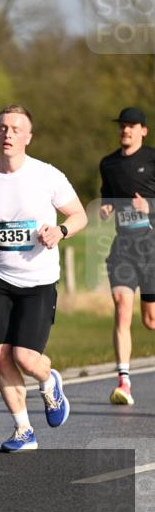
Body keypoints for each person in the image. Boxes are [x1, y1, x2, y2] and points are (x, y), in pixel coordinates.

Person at [0, 104, 88, 452]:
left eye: (14, 128)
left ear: (28, 137)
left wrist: (61, 230)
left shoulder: (47, 175)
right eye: (2, 128)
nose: (7, 133)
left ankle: (49, 379)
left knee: (25, 357)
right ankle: (23, 429)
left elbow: (79, 214)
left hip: (38, 280)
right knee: (0, 356)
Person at [99, 106, 155, 406]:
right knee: (122, 307)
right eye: (122, 125)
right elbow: (107, 197)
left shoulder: (152, 159)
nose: (126, 130)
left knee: (150, 320)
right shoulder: (107, 164)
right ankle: (124, 382)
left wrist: (150, 208)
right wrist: (106, 209)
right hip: (123, 248)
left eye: (132, 126)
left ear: (143, 130)